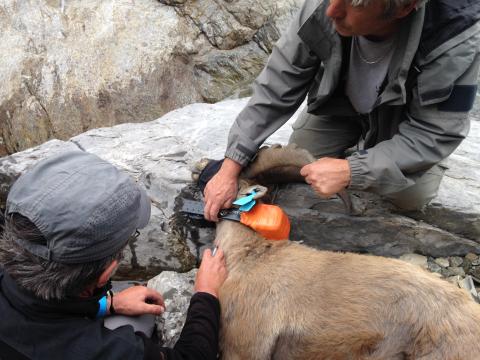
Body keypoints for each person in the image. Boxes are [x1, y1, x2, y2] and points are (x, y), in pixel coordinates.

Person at [203, 0, 480, 220]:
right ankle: (361, 144)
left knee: (410, 197)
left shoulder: (453, 37)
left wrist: (351, 170)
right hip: (340, 104)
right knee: (301, 163)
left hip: (401, 121)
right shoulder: (326, 5)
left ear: (405, 7)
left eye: (354, 4)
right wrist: (231, 166)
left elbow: (434, 131)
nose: (332, 9)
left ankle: (389, 155)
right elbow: (278, 84)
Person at [0, 150, 227, 360]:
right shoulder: (108, 352)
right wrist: (206, 293)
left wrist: (106, 305)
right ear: (106, 272)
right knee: (141, 325)